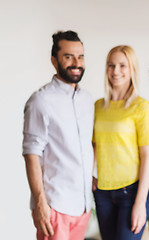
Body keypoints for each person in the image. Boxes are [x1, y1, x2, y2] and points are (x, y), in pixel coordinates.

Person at [22, 30, 94, 240]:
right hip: (55, 206)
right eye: (68, 57)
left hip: (83, 206)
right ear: (54, 61)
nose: (76, 62)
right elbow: (31, 155)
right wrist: (40, 203)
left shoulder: (87, 100)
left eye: (80, 57)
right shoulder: (40, 101)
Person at [92, 45, 149, 240]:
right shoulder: (98, 106)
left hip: (131, 192)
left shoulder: (142, 107)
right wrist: (89, 176)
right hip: (102, 192)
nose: (116, 71)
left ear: (132, 70)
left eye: (122, 65)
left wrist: (140, 202)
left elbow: (147, 156)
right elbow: (94, 147)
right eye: (111, 65)